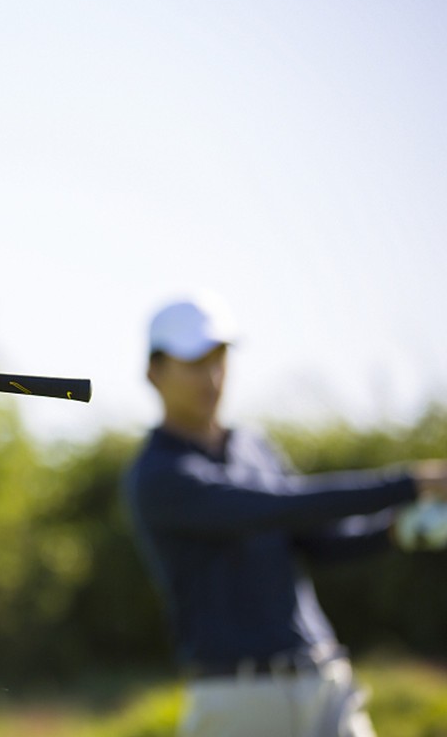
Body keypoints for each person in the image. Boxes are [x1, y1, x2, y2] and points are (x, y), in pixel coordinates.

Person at [122, 293, 447, 737]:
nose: (213, 376)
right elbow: (280, 506)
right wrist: (411, 482)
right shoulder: (159, 474)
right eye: (195, 362)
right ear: (154, 373)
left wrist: (404, 528)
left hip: (325, 680)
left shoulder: (254, 447)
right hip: (238, 701)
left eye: (220, 359)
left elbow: (320, 542)